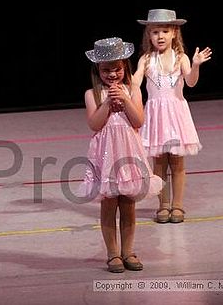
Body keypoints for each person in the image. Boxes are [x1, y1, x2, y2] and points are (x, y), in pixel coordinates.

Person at [77, 37, 164, 273]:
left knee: (128, 206)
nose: (112, 74)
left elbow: (139, 120)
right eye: (106, 70)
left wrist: (124, 99)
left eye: (117, 68)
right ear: (98, 70)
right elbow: (94, 124)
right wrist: (107, 104)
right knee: (108, 205)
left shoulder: (133, 89)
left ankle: (128, 251)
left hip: (129, 154)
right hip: (106, 158)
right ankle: (113, 253)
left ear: (125, 66)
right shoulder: (91, 94)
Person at [133, 9, 212, 224]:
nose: (160, 36)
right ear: (148, 35)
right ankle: (163, 205)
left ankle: (177, 205)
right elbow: (136, 83)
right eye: (155, 31)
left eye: (165, 31)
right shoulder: (146, 60)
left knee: (177, 163)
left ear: (174, 33)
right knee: (159, 163)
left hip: (176, 115)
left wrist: (195, 65)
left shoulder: (182, 58)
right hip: (156, 117)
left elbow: (191, 82)